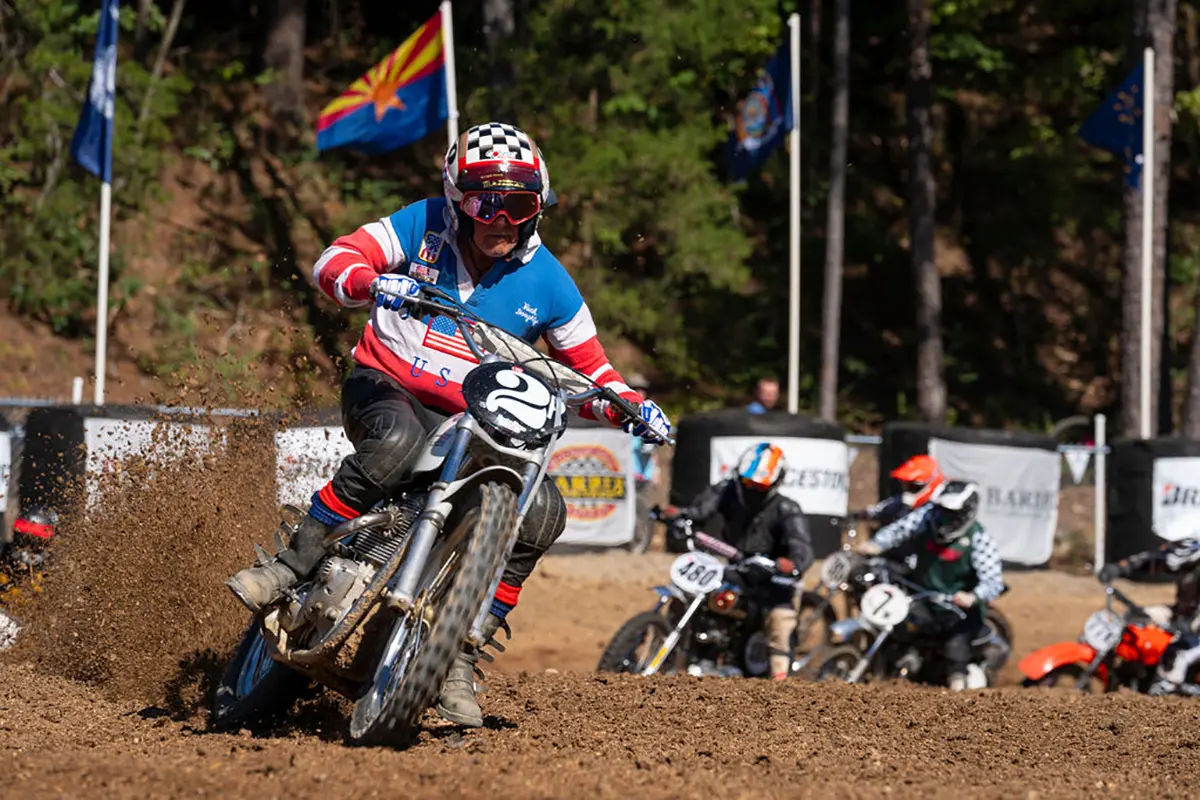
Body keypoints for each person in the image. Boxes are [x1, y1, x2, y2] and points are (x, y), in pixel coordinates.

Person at [226, 121, 672, 727]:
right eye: (484, 204)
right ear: (457, 201)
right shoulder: (421, 222)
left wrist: (633, 408)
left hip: (478, 420)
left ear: (538, 208)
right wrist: (373, 281)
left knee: (545, 512)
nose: (500, 220)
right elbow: (336, 259)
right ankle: (292, 564)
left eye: (518, 206)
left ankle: (461, 651)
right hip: (387, 387)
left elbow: (593, 375)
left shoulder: (550, 281)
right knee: (396, 444)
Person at [663, 442, 813, 679]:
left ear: (776, 483)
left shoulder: (786, 508)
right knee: (695, 595)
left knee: (780, 621)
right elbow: (699, 511)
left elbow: (802, 547)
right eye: (748, 483)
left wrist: (792, 564)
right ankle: (680, 655)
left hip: (773, 578)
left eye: (759, 486)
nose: (752, 489)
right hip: (737, 568)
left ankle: (781, 684)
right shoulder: (726, 490)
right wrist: (680, 516)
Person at [857, 480, 1003, 691]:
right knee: (899, 633)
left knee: (955, 650)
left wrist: (973, 596)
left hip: (958, 611)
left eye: (951, 514)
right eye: (941, 511)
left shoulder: (979, 538)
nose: (943, 518)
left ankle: (958, 688)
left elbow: (993, 580)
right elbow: (900, 529)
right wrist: (876, 544)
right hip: (922, 599)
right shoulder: (927, 517)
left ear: (966, 513)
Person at [1099, 540, 1200, 696]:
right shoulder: (1187, 562)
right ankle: (1136, 669)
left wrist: (1189, 624)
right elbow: (1154, 560)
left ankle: (1168, 690)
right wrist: (1120, 567)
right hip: (1184, 614)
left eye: (1179, 546)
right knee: (1137, 618)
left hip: (1195, 625)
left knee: (1178, 651)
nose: (1172, 550)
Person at [852, 454, 947, 526]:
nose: (908, 490)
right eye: (906, 485)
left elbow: (904, 528)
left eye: (912, 486)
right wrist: (861, 514)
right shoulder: (904, 501)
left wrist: (878, 542)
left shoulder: (941, 507)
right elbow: (886, 507)